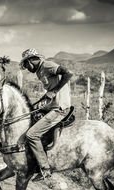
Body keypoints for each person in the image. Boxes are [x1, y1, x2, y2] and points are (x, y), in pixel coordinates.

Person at [20, 48, 73, 181]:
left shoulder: (47, 65)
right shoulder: (39, 71)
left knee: (31, 134)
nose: (26, 68)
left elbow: (68, 73)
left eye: (26, 64)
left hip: (59, 108)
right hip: (52, 105)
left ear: (31, 60)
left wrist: (54, 91)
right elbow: (49, 90)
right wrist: (41, 100)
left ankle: (44, 168)